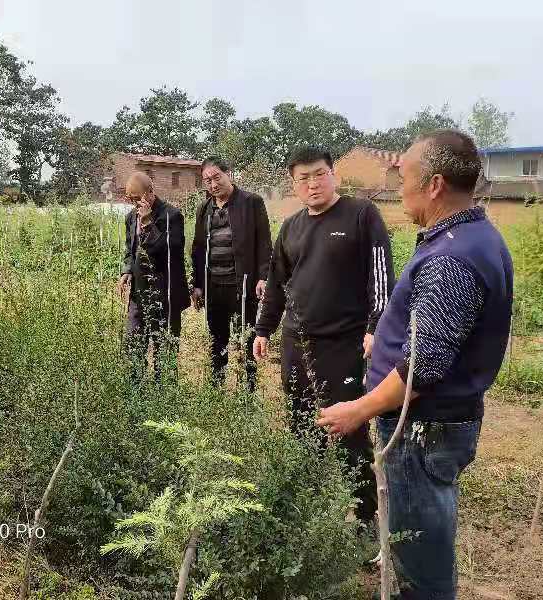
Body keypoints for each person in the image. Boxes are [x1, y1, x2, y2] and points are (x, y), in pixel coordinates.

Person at [317, 130, 513, 599]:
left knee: (419, 564)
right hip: (431, 428)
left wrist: (358, 409)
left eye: (402, 176)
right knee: (420, 542)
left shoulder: (453, 257)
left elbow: (423, 369)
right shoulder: (465, 238)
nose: (396, 185)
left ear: (435, 185)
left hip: (422, 430)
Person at [253, 146, 394, 523]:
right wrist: (263, 328)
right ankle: (308, 512)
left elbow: (380, 275)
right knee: (301, 425)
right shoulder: (291, 227)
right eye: (304, 178)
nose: (313, 184)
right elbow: (278, 284)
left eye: (319, 174)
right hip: (296, 342)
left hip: (343, 344)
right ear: (294, 183)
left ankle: (366, 517)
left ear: (334, 174)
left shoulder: (361, 215)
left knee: (348, 430)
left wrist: (375, 326)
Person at [190, 157, 272, 391]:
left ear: (229, 174)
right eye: (207, 180)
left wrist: (263, 277)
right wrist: (196, 284)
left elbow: (264, 243)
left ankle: (249, 390)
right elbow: (198, 248)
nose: (213, 184)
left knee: (247, 337)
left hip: (242, 285)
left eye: (217, 177)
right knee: (217, 339)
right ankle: (216, 387)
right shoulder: (204, 208)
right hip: (213, 285)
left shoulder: (251, 202)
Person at [118, 172, 189, 379]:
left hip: (165, 294)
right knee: (133, 346)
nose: (133, 203)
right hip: (139, 295)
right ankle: (135, 394)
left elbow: (170, 251)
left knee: (165, 351)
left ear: (150, 193)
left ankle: (163, 397)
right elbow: (129, 249)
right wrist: (127, 270)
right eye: (130, 199)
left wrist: (149, 222)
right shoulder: (131, 217)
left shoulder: (172, 216)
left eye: (136, 198)